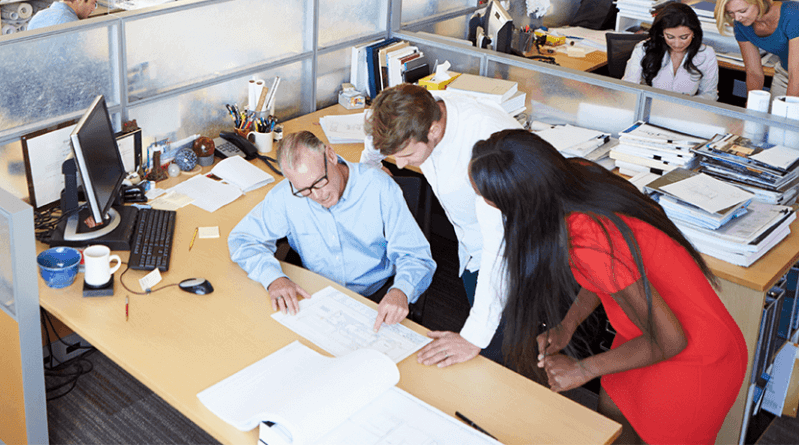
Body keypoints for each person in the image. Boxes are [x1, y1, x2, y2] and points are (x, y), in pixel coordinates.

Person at [469, 130, 746, 445]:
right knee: (611, 431)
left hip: (691, 359)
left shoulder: (586, 237)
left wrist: (583, 369)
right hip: (640, 337)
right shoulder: (575, 178)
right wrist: (568, 324)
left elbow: (671, 340)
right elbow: (608, 277)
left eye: (491, 199)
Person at [361, 83, 521, 365]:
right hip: (471, 245)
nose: (399, 165)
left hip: (514, 252)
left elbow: (499, 249)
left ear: (433, 131)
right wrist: (372, 164)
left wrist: (473, 337)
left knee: (497, 351)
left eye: (408, 156)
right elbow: (378, 140)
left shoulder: (487, 147)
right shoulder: (413, 117)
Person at [228, 130, 436, 331]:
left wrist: (401, 291)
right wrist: (273, 277)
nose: (317, 196)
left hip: (375, 297)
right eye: (304, 190)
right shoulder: (286, 196)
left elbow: (416, 256)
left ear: (331, 155)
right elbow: (243, 239)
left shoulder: (379, 187)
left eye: (320, 182)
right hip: (314, 296)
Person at [715, 0, 799, 99]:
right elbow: (754, 72)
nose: (737, 18)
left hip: (798, 76)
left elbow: (797, 74)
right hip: (785, 75)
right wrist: (751, 105)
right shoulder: (741, 25)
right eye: (731, 13)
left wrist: (790, 109)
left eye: (743, 11)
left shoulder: (796, 15)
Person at [622, 2, 719, 99]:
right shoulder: (643, 49)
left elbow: (710, 94)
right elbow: (629, 87)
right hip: (650, 107)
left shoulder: (707, 54)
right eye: (670, 37)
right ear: (661, 33)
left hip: (687, 110)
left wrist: (687, 103)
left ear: (694, 33)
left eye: (684, 37)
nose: (677, 44)